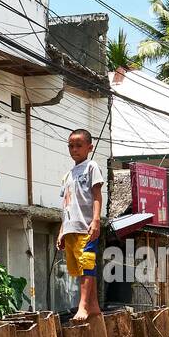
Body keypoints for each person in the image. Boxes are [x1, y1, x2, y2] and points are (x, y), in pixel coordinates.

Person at [56, 128, 105, 323]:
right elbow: (66, 204)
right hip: (71, 227)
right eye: (71, 146)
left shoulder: (91, 166)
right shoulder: (68, 175)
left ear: (89, 147)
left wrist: (96, 220)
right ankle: (93, 305)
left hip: (86, 225)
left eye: (78, 145)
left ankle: (83, 305)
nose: (74, 149)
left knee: (87, 264)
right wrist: (61, 231)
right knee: (79, 268)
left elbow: (97, 195)